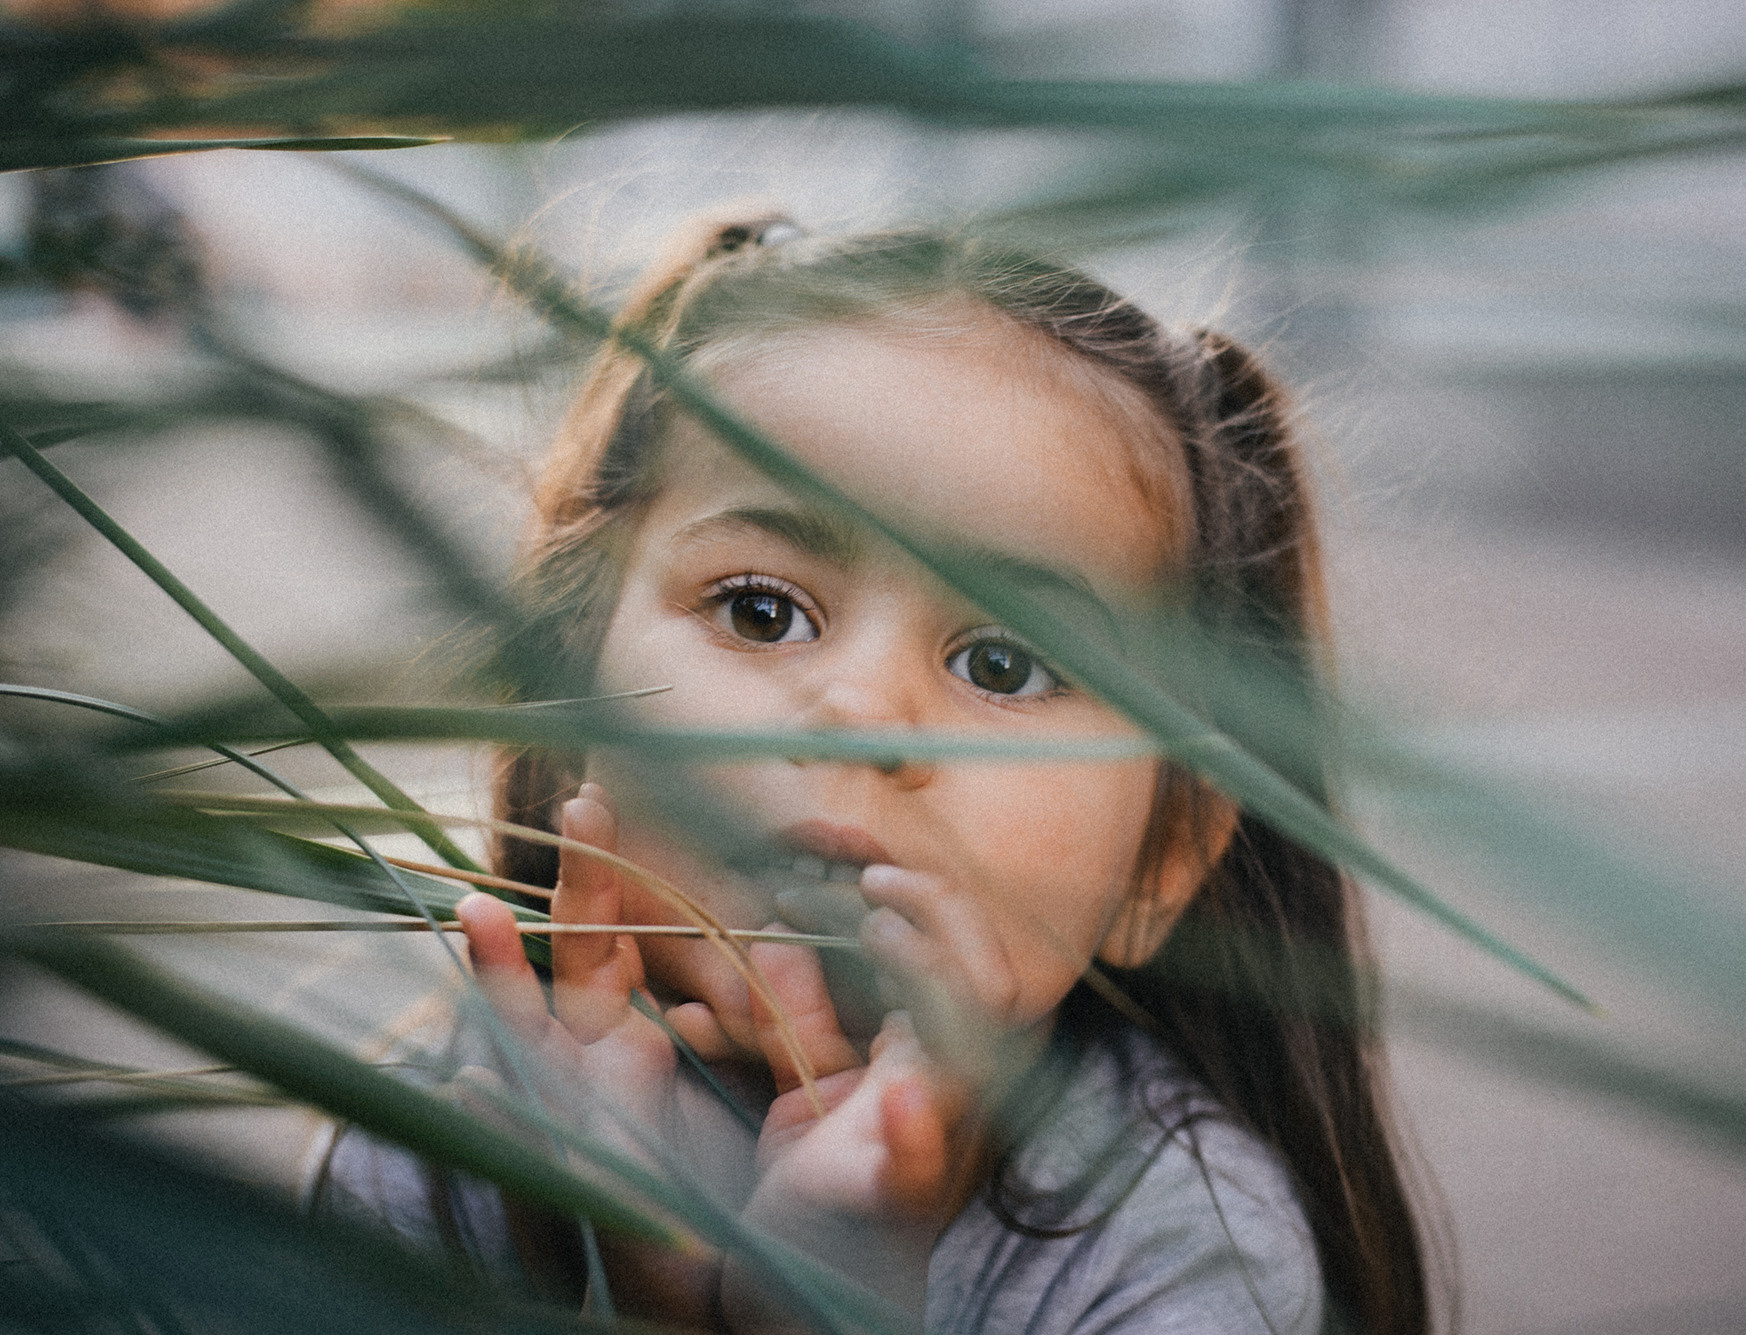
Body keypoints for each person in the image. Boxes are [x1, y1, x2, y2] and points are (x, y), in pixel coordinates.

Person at [314, 215, 1432, 1335]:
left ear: (1163, 862)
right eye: (761, 610)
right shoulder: (443, 1141)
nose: (858, 713)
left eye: (1002, 663)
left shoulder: (1185, 1247)